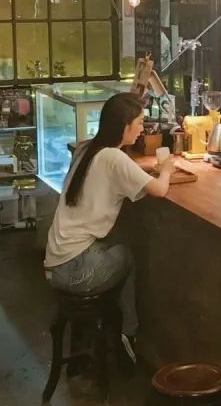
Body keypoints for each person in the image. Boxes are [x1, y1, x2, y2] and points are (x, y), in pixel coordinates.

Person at [44, 92, 175, 362]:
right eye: (139, 123)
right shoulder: (114, 159)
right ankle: (126, 332)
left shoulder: (86, 148)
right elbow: (160, 190)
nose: (142, 129)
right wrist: (167, 169)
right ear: (124, 126)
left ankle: (95, 332)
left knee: (114, 247)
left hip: (55, 262)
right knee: (126, 255)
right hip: (74, 269)